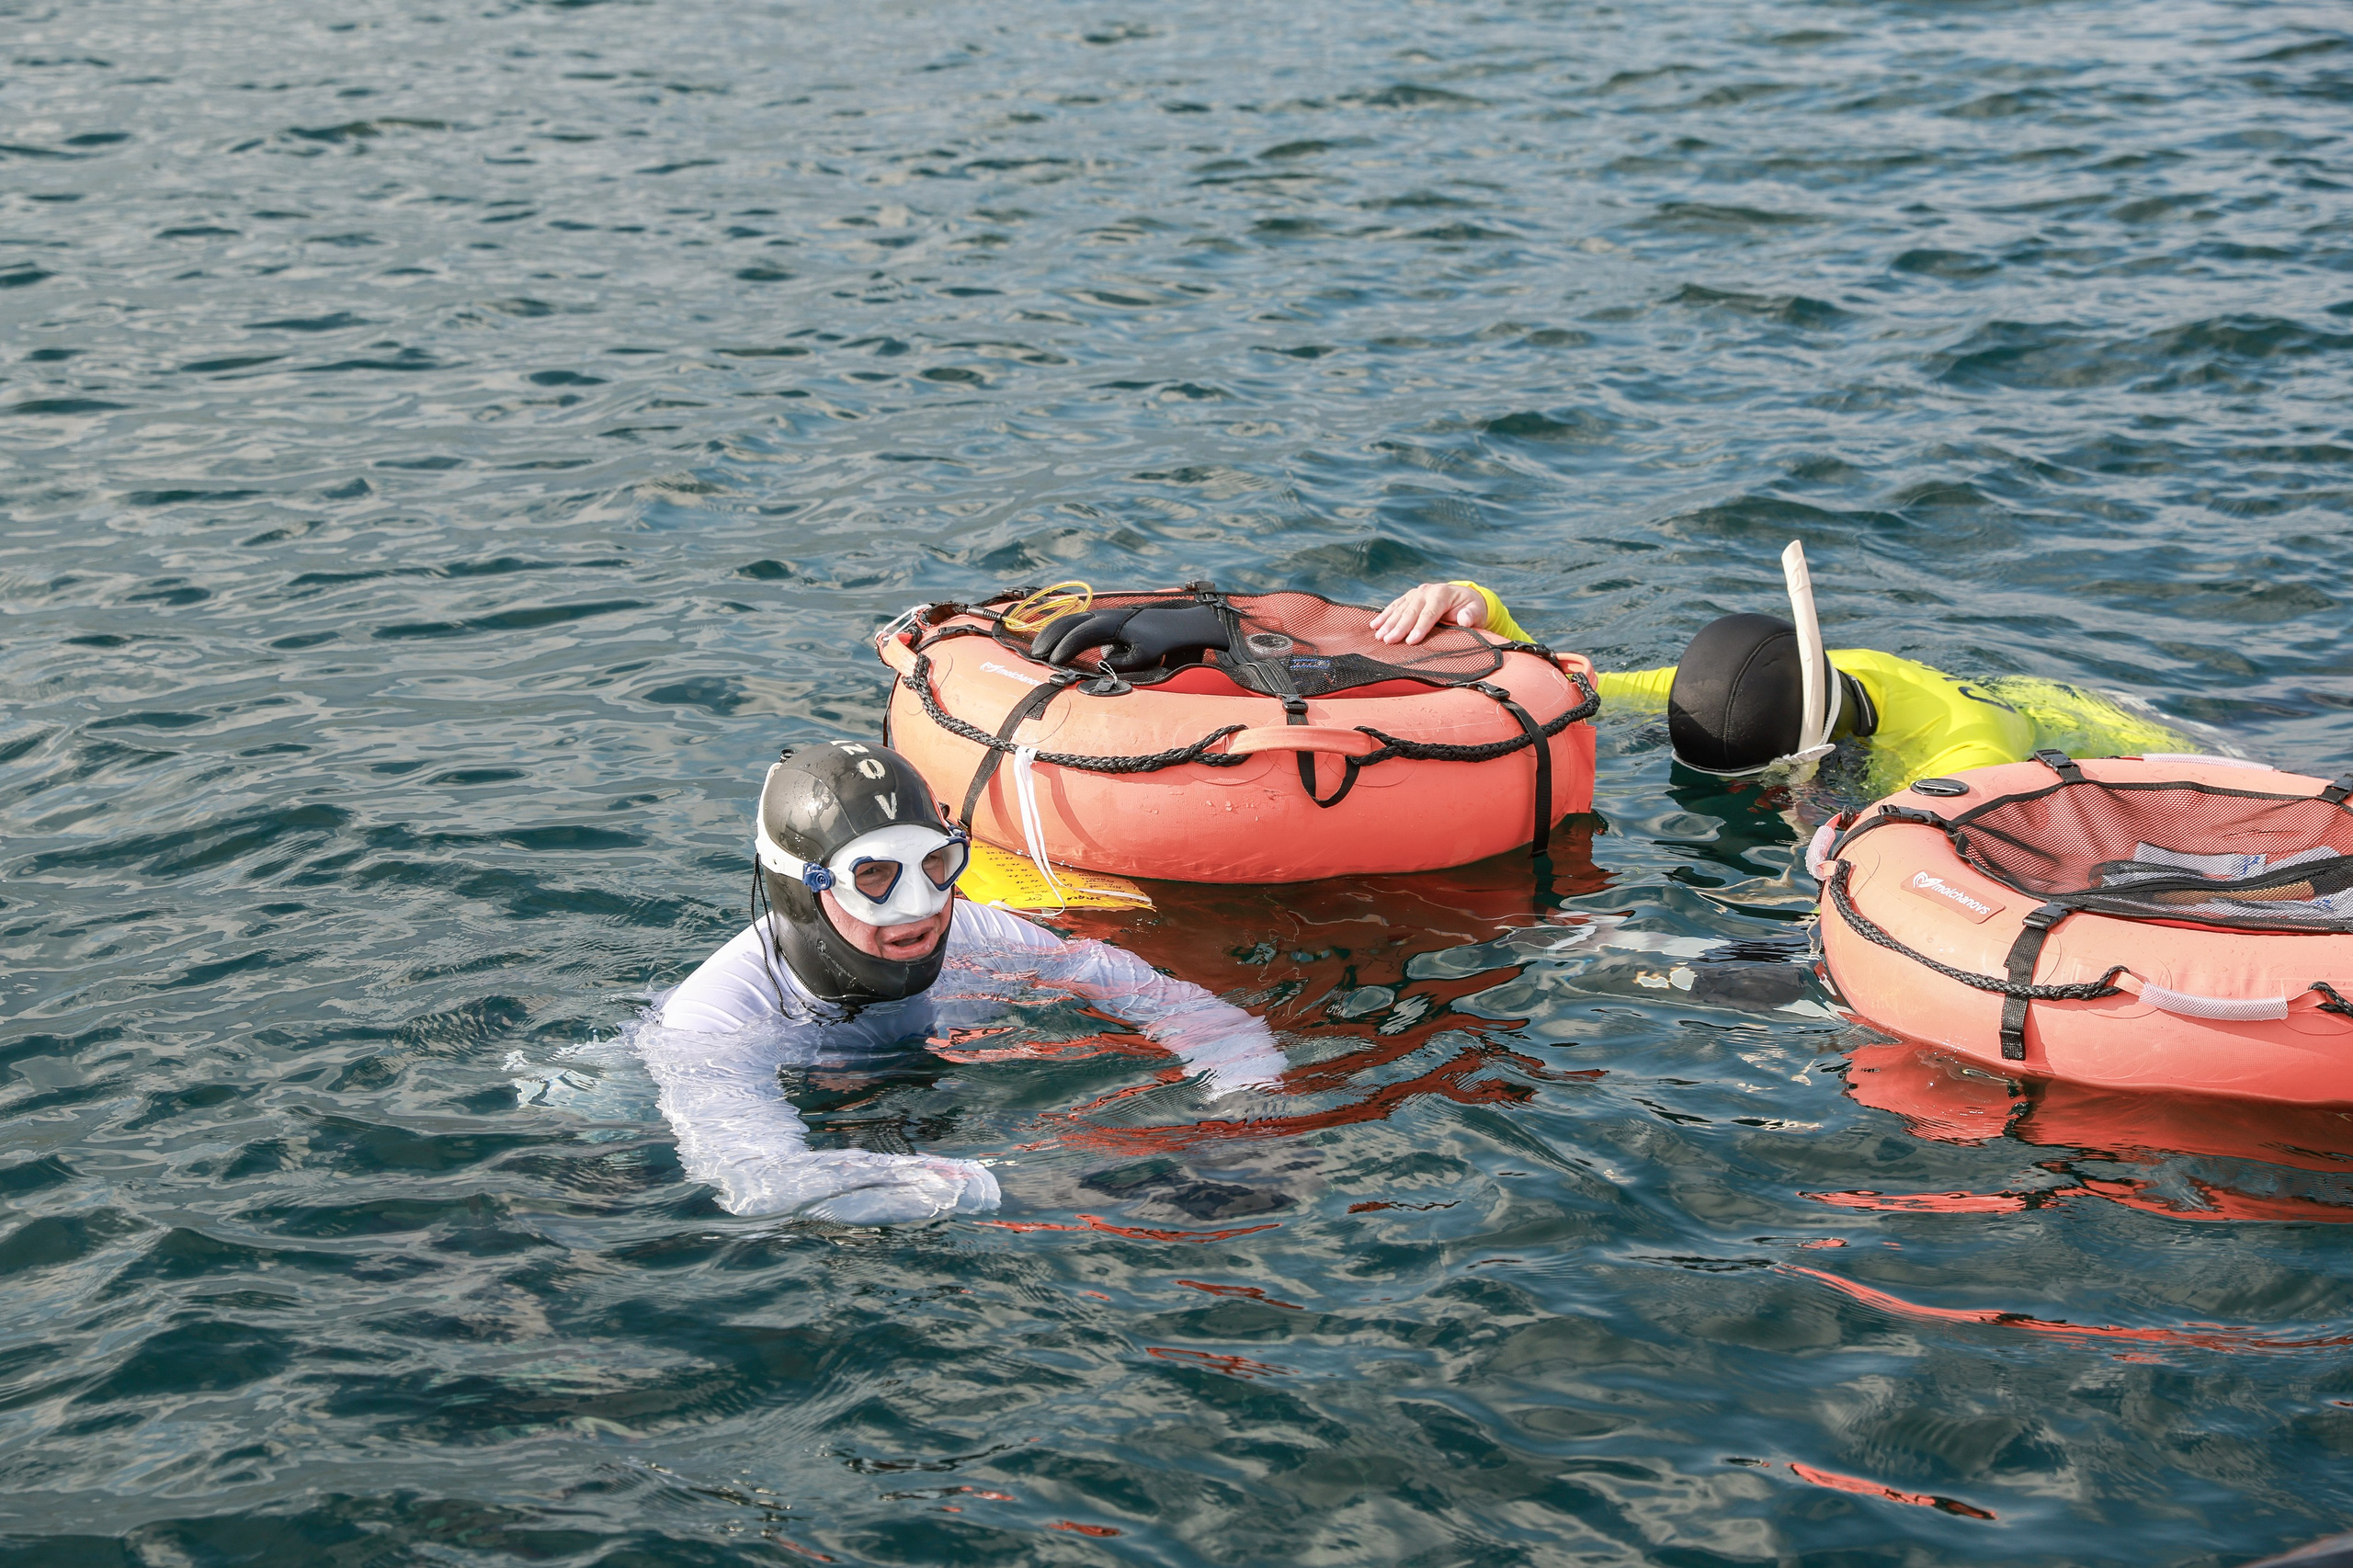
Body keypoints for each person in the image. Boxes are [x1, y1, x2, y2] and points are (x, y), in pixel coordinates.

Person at [641, 740, 1285, 1225]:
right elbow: (759, 1182)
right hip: (654, 1130)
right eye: (874, 877)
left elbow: (1165, 999)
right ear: (801, 890)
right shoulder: (716, 1022)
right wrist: (1035, 1187)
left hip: (907, 1094)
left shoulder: (981, 935)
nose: (920, 905)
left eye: (935, 863)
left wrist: (1250, 1111)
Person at [1369, 566, 2190, 791]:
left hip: (2098, 732)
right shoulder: (1813, 685)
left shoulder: (1961, 758)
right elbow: (1585, 686)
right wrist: (1477, 606)